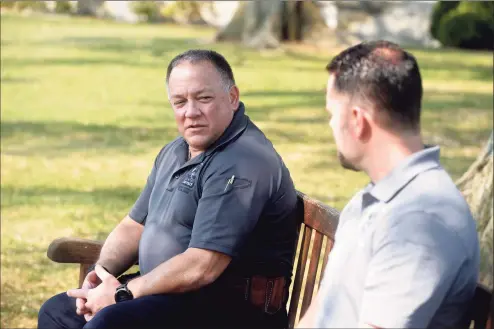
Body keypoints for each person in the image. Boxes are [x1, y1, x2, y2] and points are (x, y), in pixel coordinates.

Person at [38, 49, 299, 329]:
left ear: (232, 98)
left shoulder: (243, 161)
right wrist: (99, 275)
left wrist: (121, 294)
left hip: (228, 309)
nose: (191, 112)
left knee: (110, 324)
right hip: (169, 296)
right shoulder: (176, 151)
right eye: (179, 102)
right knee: (58, 312)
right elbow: (133, 226)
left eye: (204, 98)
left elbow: (203, 266)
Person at [297, 40, 480, 329]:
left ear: (358, 120)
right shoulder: (370, 199)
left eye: (332, 114)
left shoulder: (421, 220)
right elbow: (323, 307)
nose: (331, 125)